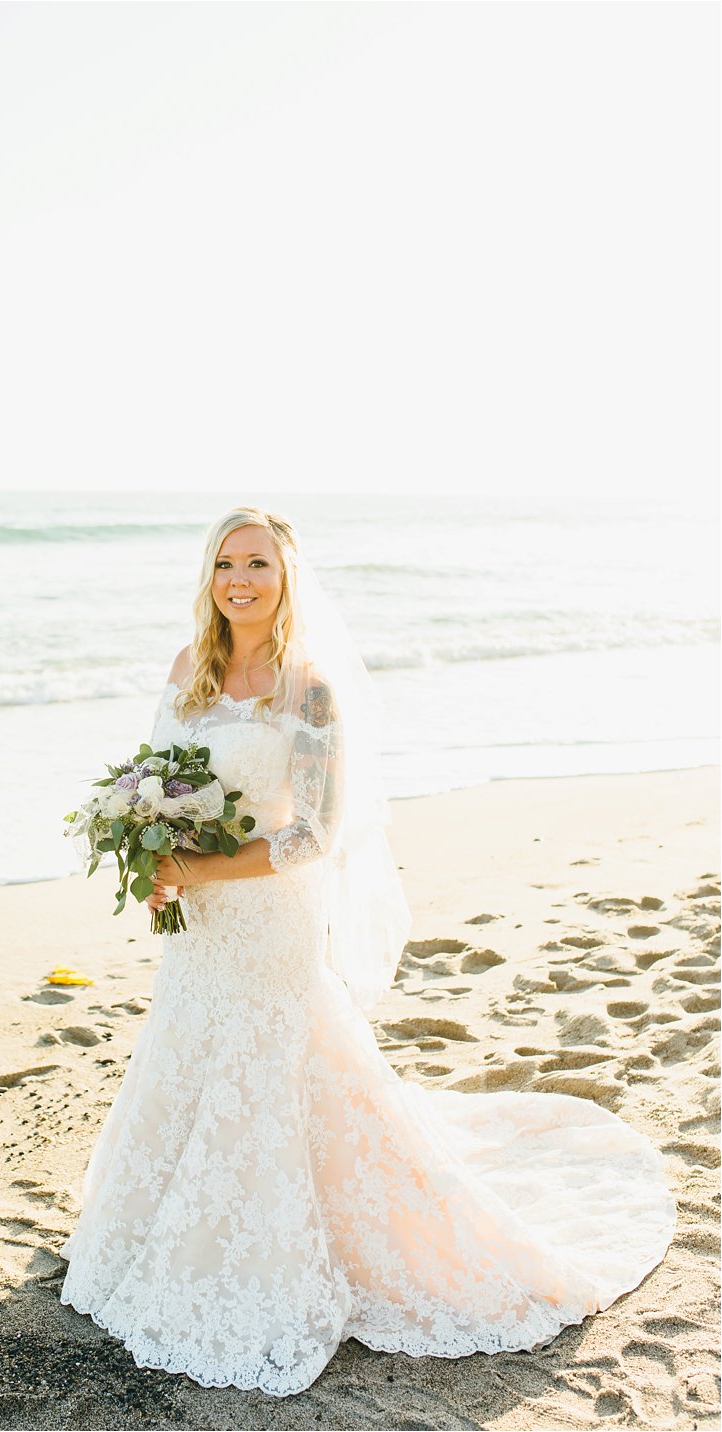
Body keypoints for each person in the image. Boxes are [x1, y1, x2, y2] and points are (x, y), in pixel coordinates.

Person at [57, 506, 674, 1396]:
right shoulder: (188, 670)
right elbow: (162, 780)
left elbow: (315, 835)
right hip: (199, 925)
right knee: (187, 1048)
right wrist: (151, 856)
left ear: (287, 576)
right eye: (226, 563)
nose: (240, 579)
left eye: (258, 564)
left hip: (270, 916)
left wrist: (201, 865)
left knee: (274, 1061)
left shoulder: (308, 688)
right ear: (209, 576)